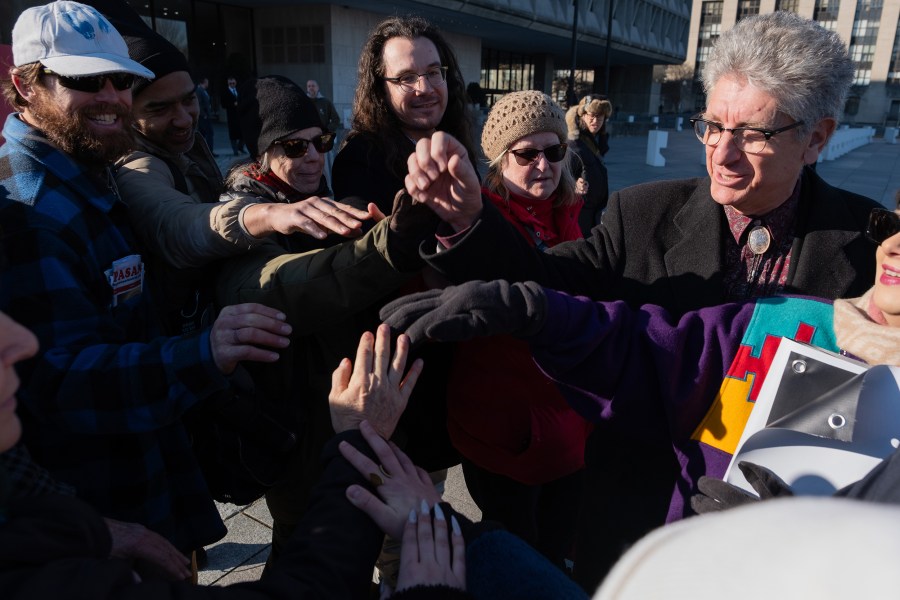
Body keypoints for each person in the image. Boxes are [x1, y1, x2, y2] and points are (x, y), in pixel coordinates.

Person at [394, 11, 882, 591]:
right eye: (712, 127)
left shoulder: (877, 250)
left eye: (752, 135)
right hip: (634, 524)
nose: (721, 155)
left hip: (783, 551)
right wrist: (471, 218)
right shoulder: (643, 214)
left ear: (817, 138)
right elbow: (547, 275)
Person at [0, 1, 293, 556]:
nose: (111, 96)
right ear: (25, 84)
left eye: (122, 80)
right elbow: (61, 383)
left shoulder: (89, 172)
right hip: (97, 514)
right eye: (86, 80)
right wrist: (203, 352)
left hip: (147, 482)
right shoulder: (24, 210)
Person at [441, 89, 589, 571]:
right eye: (527, 154)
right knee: (517, 549)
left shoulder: (571, 214)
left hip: (569, 420)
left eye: (554, 151)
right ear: (499, 160)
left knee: (560, 538)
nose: (543, 164)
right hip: (505, 427)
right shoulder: (480, 219)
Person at [332, 14, 477, 217]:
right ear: (380, 91)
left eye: (433, 72)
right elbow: (364, 240)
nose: (424, 88)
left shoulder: (456, 143)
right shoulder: (359, 159)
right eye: (406, 78)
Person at [566, 95, 611, 235]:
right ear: (583, 116)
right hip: (579, 214)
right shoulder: (574, 144)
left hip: (593, 213)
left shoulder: (591, 141)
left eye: (600, 117)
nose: (595, 121)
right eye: (592, 116)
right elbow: (561, 174)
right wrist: (573, 184)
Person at [221, 75, 244, 156]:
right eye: (230, 82)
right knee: (233, 134)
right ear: (228, 83)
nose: (232, 84)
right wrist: (232, 104)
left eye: (233, 82)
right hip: (231, 116)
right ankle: (235, 150)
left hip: (240, 115)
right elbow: (223, 104)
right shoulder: (225, 92)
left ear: (235, 82)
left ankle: (240, 147)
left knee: (243, 132)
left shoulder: (239, 90)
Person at [195, 75, 216, 155]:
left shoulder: (203, 90)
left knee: (206, 133)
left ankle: (208, 151)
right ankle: (208, 151)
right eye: (207, 82)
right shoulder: (199, 90)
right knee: (208, 133)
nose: (208, 83)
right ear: (204, 82)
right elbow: (199, 104)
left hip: (206, 116)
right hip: (204, 117)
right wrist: (204, 115)